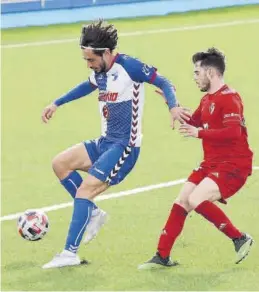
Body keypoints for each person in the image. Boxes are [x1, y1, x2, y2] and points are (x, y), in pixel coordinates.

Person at [41, 20, 190, 269]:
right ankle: (93, 214)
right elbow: (85, 86)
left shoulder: (129, 67)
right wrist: (57, 103)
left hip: (124, 148)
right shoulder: (100, 72)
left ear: (107, 53)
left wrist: (172, 105)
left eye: (91, 60)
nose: (89, 65)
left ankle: (70, 253)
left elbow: (163, 81)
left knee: (84, 191)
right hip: (104, 142)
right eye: (86, 60)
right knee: (60, 164)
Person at [139, 47, 254, 270]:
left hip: (233, 165)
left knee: (196, 199)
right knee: (182, 200)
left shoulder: (230, 99)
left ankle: (240, 238)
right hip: (211, 163)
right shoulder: (208, 100)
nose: (194, 77)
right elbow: (193, 123)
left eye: (197, 72)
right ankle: (162, 256)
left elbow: (233, 133)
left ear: (211, 73)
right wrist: (171, 105)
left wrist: (199, 133)